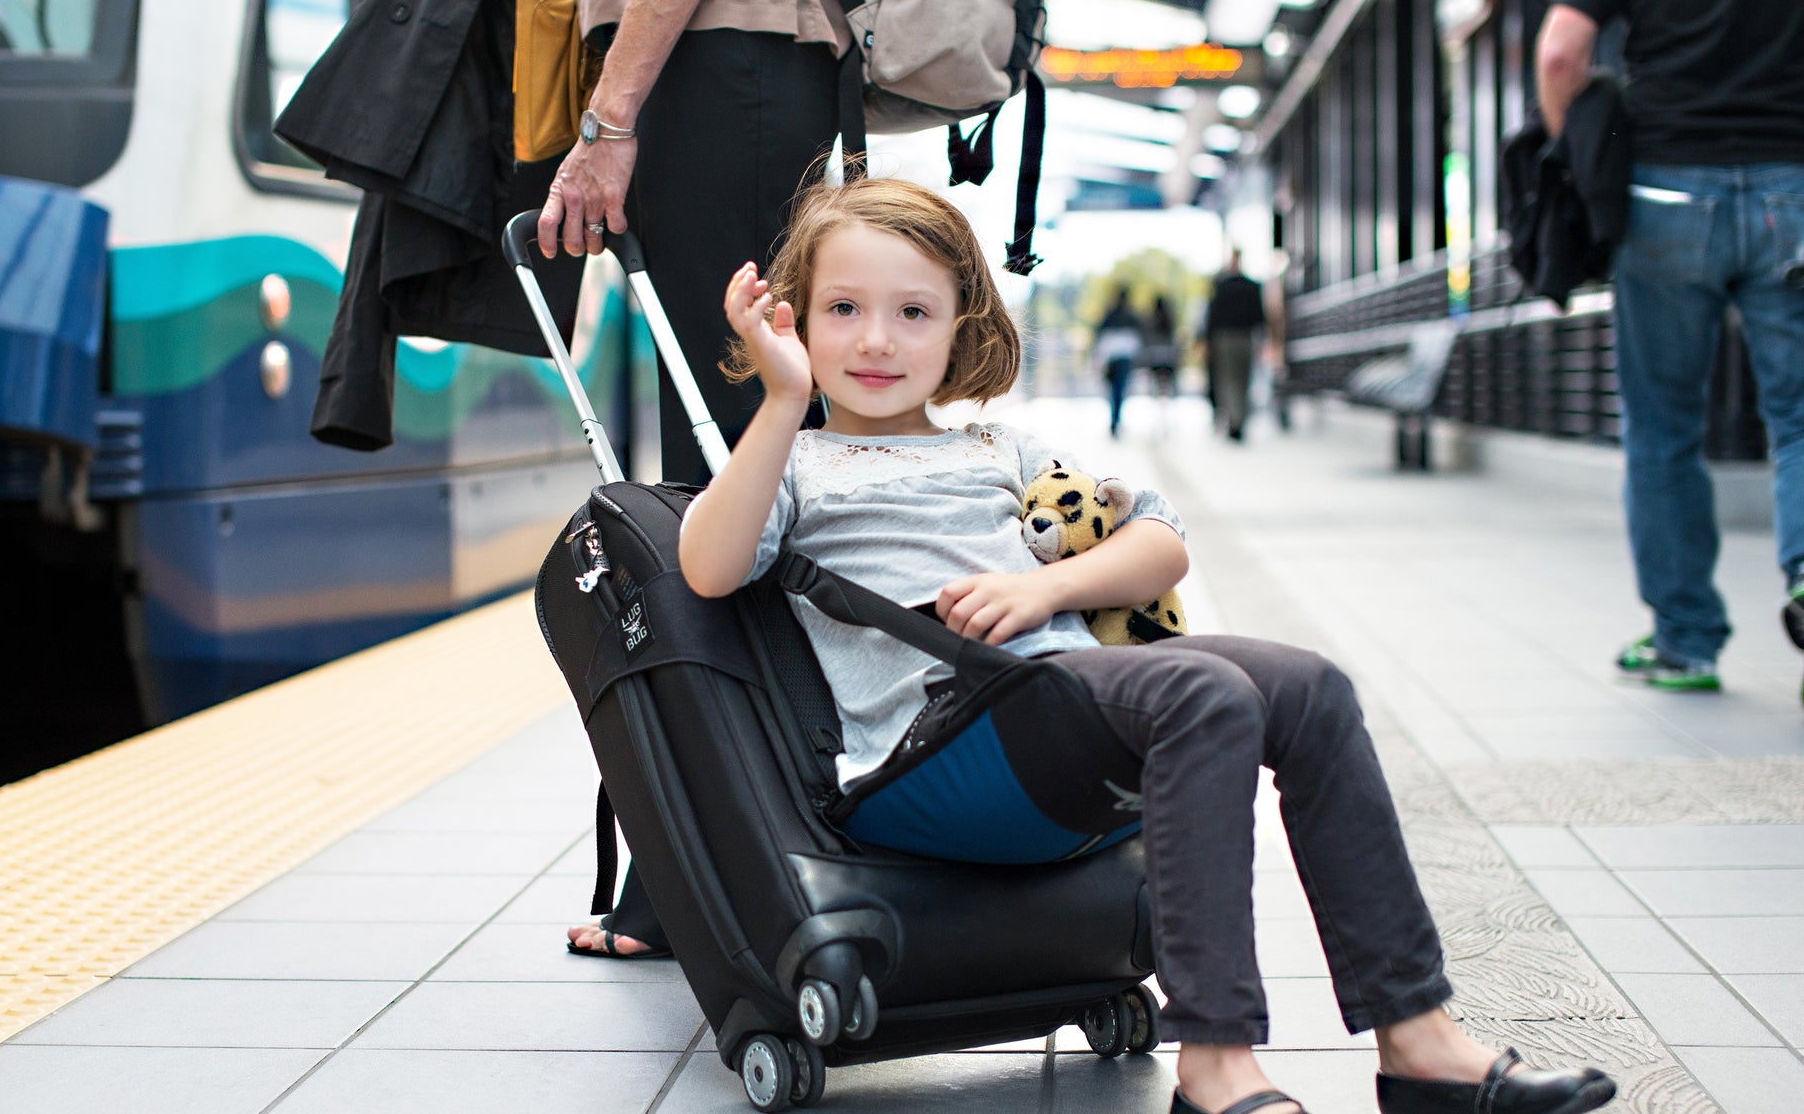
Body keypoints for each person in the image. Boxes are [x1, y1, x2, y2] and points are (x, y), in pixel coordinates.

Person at [683, 174, 1616, 1114]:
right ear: (794, 319)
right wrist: (779, 402)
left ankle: (1419, 1045)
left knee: (1311, 688)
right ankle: (1214, 1065)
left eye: (913, 312)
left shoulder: (1003, 450)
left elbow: (1159, 539)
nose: (877, 339)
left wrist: (1042, 586)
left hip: (1058, 709)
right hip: (935, 757)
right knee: (1205, 697)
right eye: (844, 309)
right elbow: (709, 566)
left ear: (962, 327)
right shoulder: (793, 466)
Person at [538, 0, 857, 958]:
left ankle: (728, 869)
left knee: (725, 485)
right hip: (735, 71)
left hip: (715, 71)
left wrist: (608, 120)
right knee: (733, 468)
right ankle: (735, 851)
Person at [1536, 0, 1804, 694]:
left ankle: (1685, 642)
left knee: (1663, 426)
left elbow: (1561, 51)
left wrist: (1571, 157)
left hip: (1663, 189)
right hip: (1793, 187)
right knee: (1799, 415)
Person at [1204, 250, 1268, 443]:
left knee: (1228, 380)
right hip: (1245, 337)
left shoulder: (1221, 286)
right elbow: (1259, 316)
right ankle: (1238, 419)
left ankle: (1234, 419)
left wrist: (1208, 342)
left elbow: (1212, 317)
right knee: (1242, 380)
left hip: (1224, 339)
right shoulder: (1252, 286)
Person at [1092, 290, 1142, 437]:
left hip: (1112, 358)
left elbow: (1100, 334)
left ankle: (1114, 420)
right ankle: (1116, 420)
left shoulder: (1110, 315)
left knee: (1114, 390)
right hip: (1123, 358)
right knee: (1119, 390)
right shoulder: (1131, 317)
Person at [1142, 293, 1181, 424]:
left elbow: (1147, 340)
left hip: (1155, 357)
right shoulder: (1170, 319)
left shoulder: (1150, 320)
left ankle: (1159, 406)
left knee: (1157, 385)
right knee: (1166, 385)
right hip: (1168, 357)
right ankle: (1166, 406)